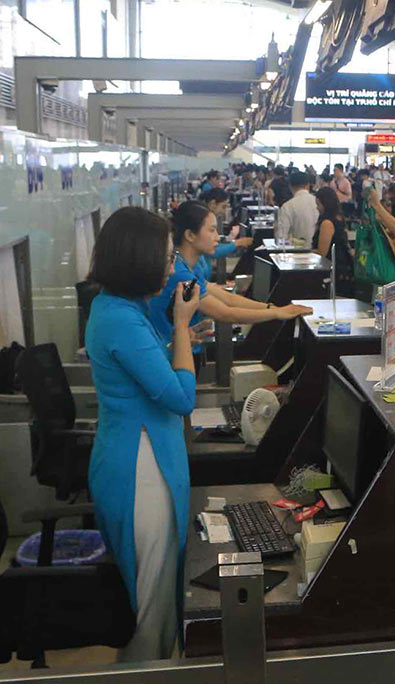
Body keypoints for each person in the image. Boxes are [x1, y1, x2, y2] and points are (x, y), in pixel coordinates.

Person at [85, 207, 199, 661]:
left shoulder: (118, 308)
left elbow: (153, 369)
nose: (172, 269)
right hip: (140, 470)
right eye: (168, 259)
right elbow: (180, 397)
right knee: (149, 608)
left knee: (154, 593)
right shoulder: (121, 320)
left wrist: (176, 336)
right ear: (141, 260)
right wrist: (185, 327)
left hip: (143, 456)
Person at [150, 201, 312, 366]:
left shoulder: (190, 267)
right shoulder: (180, 273)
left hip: (184, 351)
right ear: (190, 235)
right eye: (212, 230)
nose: (217, 236)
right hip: (172, 357)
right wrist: (277, 314)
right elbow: (225, 313)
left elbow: (228, 299)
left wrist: (272, 308)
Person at [312, 187, 354, 298]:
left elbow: (322, 253)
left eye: (318, 204)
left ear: (325, 204)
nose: (317, 208)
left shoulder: (327, 223)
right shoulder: (339, 218)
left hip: (333, 271)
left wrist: (306, 252)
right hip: (343, 269)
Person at [274, 171, 319, 244]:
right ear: (308, 185)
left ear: (290, 186)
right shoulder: (318, 202)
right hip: (318, 250)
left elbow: (281, 236)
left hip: (297, 251)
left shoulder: (288, 206)